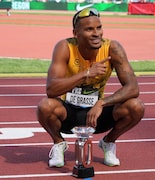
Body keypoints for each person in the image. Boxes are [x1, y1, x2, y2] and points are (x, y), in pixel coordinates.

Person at [37, 8, 145, 168]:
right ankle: (59, 143)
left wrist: (102, 103)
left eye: (99, 27)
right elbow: (51, 90)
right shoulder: (65, 47)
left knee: (136, 106)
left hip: (97, 114)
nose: (96, 34)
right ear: (76, 33)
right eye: (89, 29)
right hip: (69, 112)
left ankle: (108, 142)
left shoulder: (112, 48)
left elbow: (133, 87)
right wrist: (86, 74)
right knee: (45, 106)